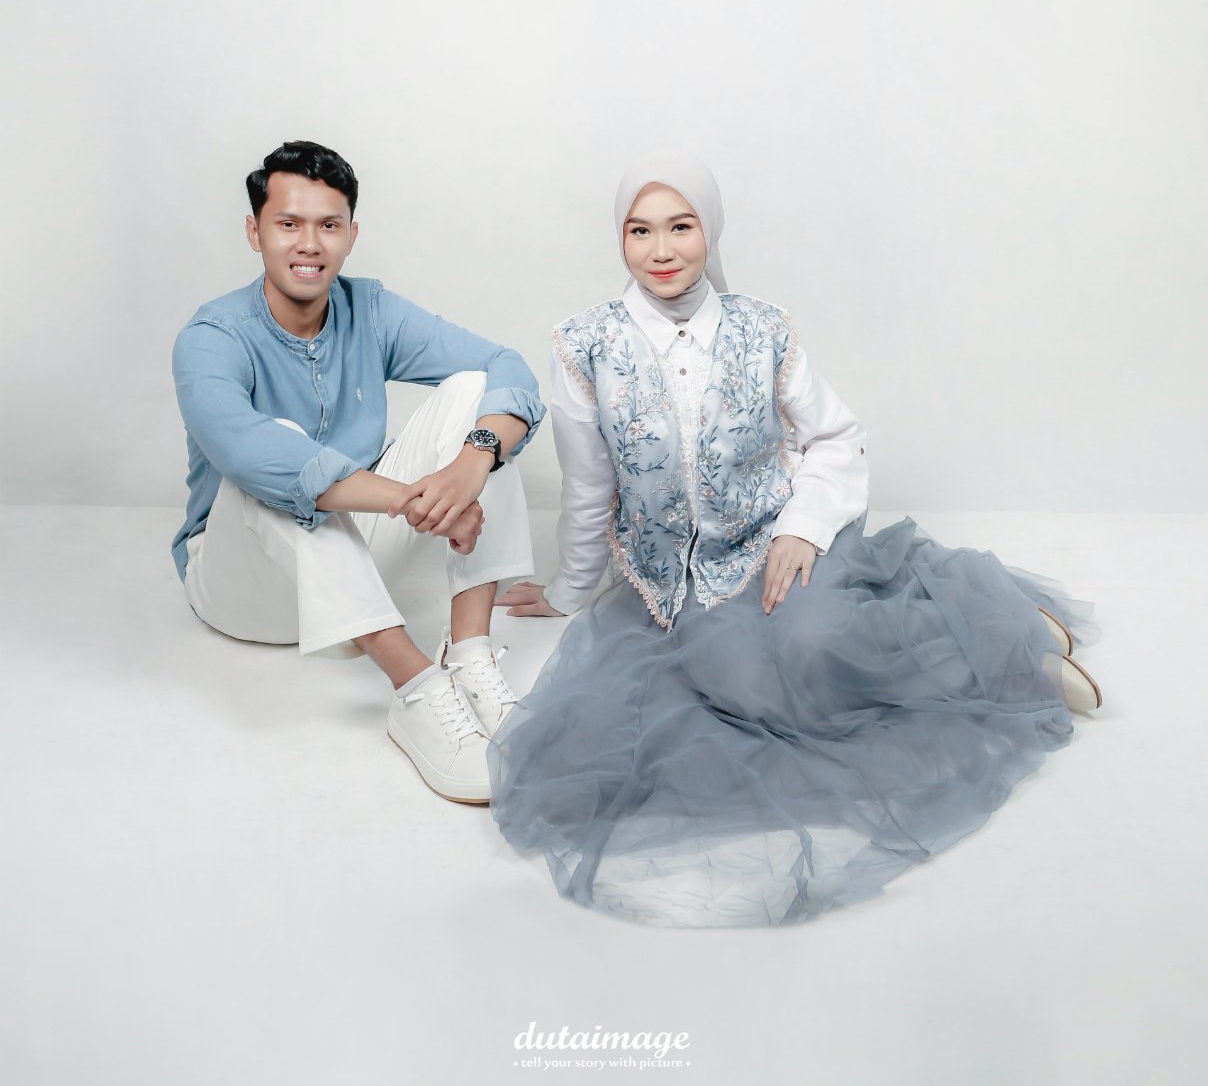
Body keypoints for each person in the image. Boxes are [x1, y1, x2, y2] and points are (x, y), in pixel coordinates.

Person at [491, 150, 1101, 927]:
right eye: (640, 231)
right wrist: (568, 589)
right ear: (621, 238)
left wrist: (803, 530)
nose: (662, 250)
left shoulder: (762, 329)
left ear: (709, 230)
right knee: (746, 689)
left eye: (681, 227)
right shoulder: (585, 346)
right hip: (681, 583)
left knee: (820, 646)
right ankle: (989, 640)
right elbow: (589, 486)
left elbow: (836, 438)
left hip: (779, 538)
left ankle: (1013, 649)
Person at [171, 140, 545, 805]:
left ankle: (469, 656)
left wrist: (471, 463)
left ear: (351, 235)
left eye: (328, 225)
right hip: (243, 587)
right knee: (278, 453)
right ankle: (417, 690)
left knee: (474, 394)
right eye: (288, 223)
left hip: (351, 565)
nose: (309, 244)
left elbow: (505, 367)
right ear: (255, 231)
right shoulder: (212, 336)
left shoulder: (367, 309)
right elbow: (255, 455)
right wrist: (414, 500)